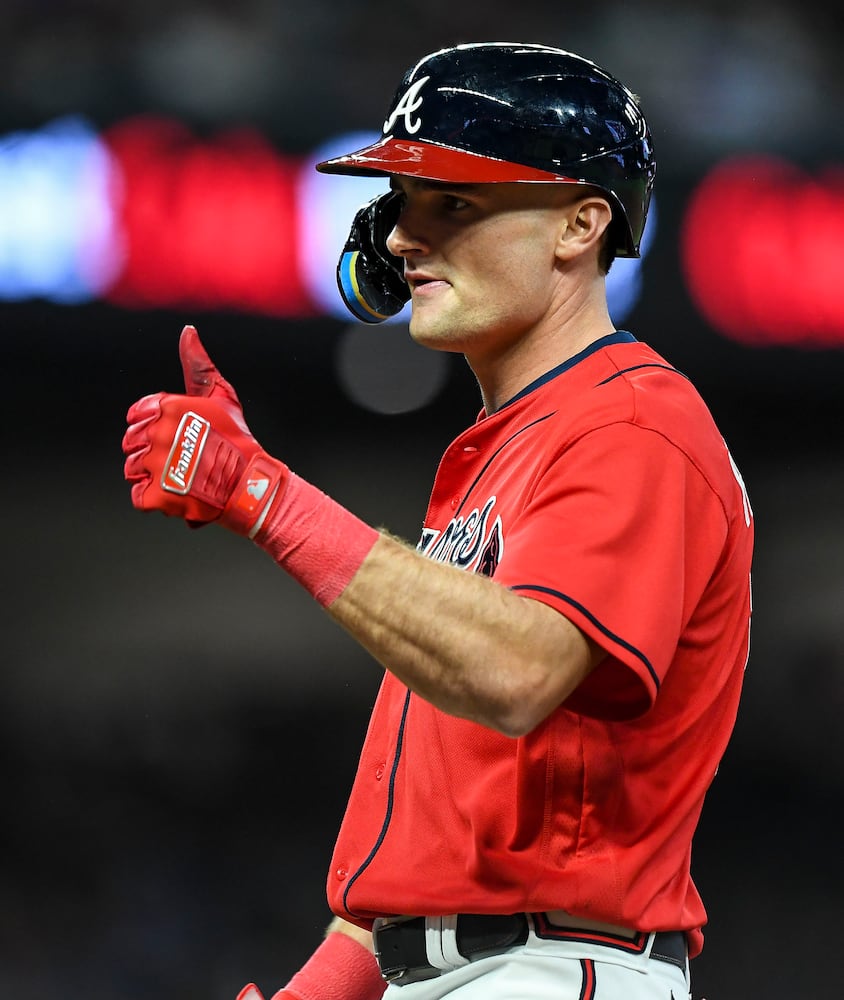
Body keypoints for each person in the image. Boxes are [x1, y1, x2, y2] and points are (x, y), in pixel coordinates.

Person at [122, 41, 754, 1000]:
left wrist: (261, 493)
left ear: (581, 223)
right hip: (467, 970)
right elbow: (427, 863)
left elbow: (519, 670)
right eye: (402, 205)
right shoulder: (510, 446)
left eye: (453, 205)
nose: (404, 240)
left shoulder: (633, 424)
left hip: (551, 967)